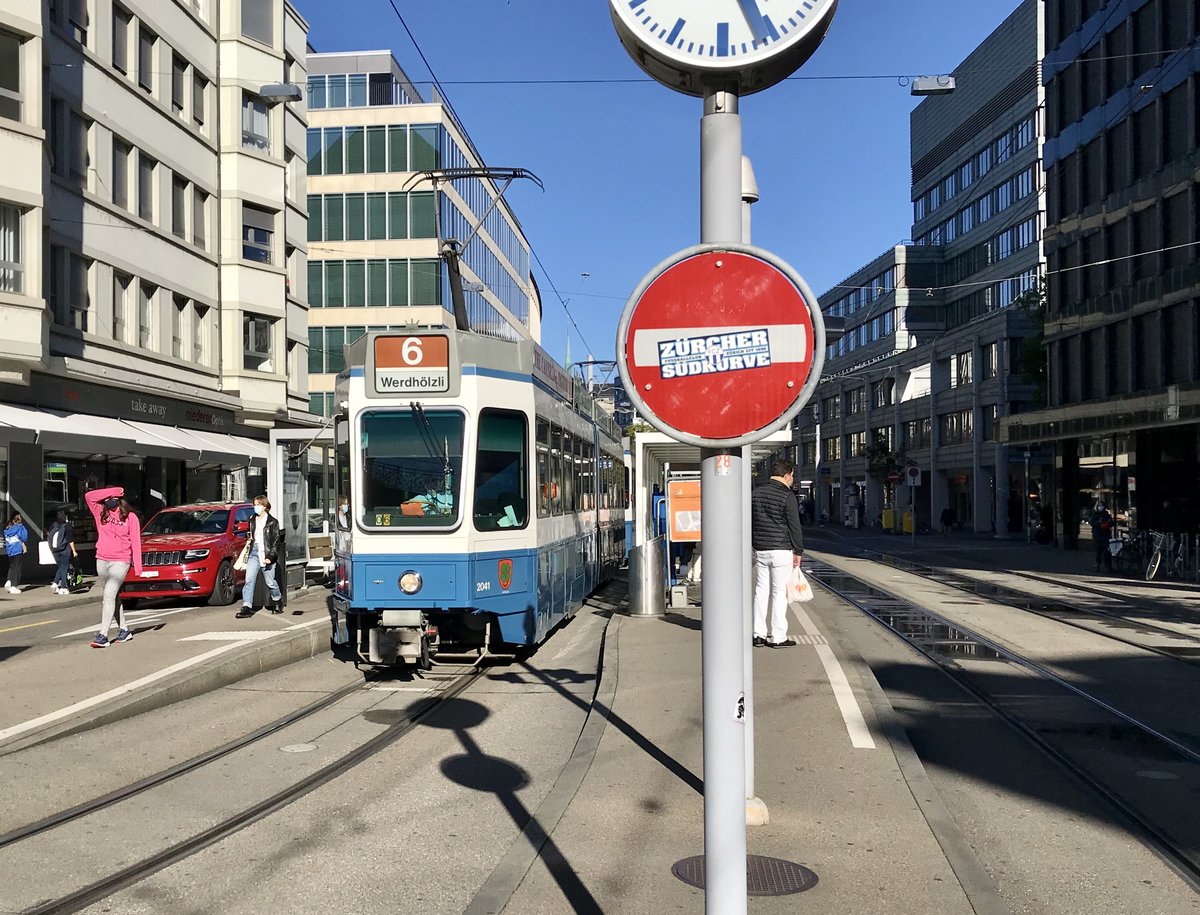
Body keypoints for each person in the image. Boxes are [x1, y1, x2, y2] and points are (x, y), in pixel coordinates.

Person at [751, 457, 804, 649]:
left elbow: (751, 522)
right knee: (779, 592)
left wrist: (753, 545)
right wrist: (798, 550)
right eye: (792, 476)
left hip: (762, 549)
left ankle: (758, 634)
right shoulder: (787, 496)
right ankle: (779, 636)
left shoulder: (755, 493)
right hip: (782, 549)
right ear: (786, 474)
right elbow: (794, 526)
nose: (792, 479)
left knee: (761, 590)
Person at [84, 485, 143, 647]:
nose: (110, 501)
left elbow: (136, 542)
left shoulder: (131, 517)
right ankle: (124, 630)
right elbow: (89, 496)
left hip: (121, 560)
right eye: (107, 499)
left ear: (120, 500)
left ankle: (103, 635)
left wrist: (138, 566)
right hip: (102, 559)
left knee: (108, 596)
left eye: (113, 499)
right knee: (113, 597)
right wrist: (113, 491)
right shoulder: (100, 512)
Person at [236, 495, 283, 618]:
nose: (255, 507)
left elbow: (276, 541)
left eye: (258, 505)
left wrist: (270, 557)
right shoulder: (252, 519)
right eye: (254, 505)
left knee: (270, 582)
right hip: (254, 553)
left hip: (266, 553)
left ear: (265, 506)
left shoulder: (273, 522)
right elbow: (251, 535)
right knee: (249, 580)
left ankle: (277, 600)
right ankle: (246, 606)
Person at [47, 510, 78, 594]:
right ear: (65, 517)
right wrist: (74, 551)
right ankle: (63, 587)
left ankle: (55, 583)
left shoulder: (53, 525)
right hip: (64, 549)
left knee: (61, 567)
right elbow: (70, 540)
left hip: (54, 550)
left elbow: (48, 533)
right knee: (64, 568)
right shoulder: (67, 526)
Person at [3, 513, 29, 594]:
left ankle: (9, 581)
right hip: (17, 549)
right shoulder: (20, 527)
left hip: (9, 550)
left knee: (12, 567)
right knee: (17, 568)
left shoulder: (7, 528)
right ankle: (14, 586)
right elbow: (25, 537)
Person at [1090, 502, 1114, 572]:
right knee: (1098, 550)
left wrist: (1108, 523)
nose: (1101, 507)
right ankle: (1098, 564)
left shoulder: (1106, 514)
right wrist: (1098, 522)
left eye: (1102, 506)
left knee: (1107, 551)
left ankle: (1108, 566)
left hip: (1105, 535)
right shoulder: (1095, 515)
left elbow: (1111, 523)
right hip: (1097, 535)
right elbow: (1092, 523)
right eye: (1099, 506)